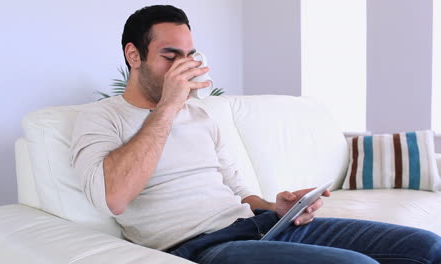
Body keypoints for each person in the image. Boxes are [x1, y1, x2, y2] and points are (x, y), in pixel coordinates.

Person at [70, 5, 441, 264]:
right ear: (134, 56)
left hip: (260, 226)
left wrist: (277, 207)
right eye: (170, 56)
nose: (182, 66)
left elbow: (237, 191)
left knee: (428, 247)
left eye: (189, 55)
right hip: (202, 248)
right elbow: (113, 198)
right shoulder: (100, 118)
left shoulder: (201, 116)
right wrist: (168, 106)